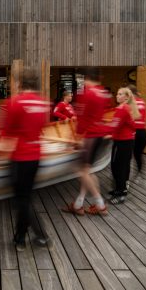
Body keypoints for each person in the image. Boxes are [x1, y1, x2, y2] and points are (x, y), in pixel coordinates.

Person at [1, 68, 51, 251]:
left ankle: (39, 235)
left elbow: (7, 136)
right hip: (36, 157)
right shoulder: (44, 103)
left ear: (20, 83)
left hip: (20, 158)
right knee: (26, 197)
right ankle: (20, 237)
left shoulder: (15, 102)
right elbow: (42, 128)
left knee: (21, 200)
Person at [62, 68, 111, 216]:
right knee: (87, 170)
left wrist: (76, 139)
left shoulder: (86, 93)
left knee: (82, 170)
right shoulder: (104, 92)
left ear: (87, 77)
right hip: (101, 135)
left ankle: (100, 204)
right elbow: (104, 114)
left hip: (90, 136)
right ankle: (78, 204)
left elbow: (81, 119)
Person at [109, 87, 140, 204]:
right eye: (117, 93)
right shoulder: (126, 108)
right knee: (122, 166)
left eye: (120, 94)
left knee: (117, 167)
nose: (117, 96)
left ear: (126, 97)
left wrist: (101, 130)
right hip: (126, 141)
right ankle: (120, 189)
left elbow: (115, 125)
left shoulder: (122, 109)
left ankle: (121, 193)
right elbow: (131, 125)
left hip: (122, 141)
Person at [127, 84, 146, 181]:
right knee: (138, 154)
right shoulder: (142, 101)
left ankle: (124, 177)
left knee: (128, 155)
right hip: (143, 132)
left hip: (134, 132)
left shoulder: (130, 103)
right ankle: (139, 174)